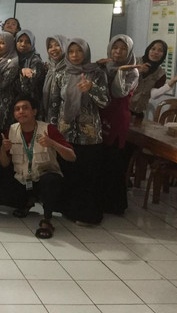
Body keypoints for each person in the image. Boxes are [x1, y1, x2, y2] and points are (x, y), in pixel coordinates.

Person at [0, 95, 75, 238]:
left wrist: (53, 143)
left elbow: (72, 156)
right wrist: (3, 149)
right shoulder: (12, 130)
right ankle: (28, 201)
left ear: (34, 111)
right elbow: (4, 163)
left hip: (44, 178)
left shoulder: (48, 129)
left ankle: (46, 220)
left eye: (25, 108)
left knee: (50, 181)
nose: (21, 111)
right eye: (17, 109)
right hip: (23, 179)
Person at [57, 38, 109, 225]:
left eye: (79, 51)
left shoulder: (96, 73)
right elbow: (57, 102)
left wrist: (91, 89)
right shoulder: (62, 73)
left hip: (89, 134)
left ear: (85, 52)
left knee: (88, 174)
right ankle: (68, 210)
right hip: (66, 131)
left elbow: (104, 101)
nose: (75, 55)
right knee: (70, 173)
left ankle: (88, 215)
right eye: (71, 52)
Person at [98, 35, 139, 215]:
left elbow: (119, 91)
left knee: (115, 162)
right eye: (115, 47)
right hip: (101, 115)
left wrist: (121, 71)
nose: (118, 51)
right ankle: (100, 200)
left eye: (123, 48)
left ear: (129, 51)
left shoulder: (132, 71)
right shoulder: (105, 66)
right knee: (101, 160)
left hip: (118, 118)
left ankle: (115, 205)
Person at [129, 40, 177, 117]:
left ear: (163, 55)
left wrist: (171, 83)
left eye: (160, 50)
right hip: (122, 108)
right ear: (148, 50)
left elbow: (153, 95)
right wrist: (137, 71)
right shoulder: (134, 62)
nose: (155, 52)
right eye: (153, 49)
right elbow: (121, 80)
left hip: (138, 112)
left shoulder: (161, 74)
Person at [16, 30, 47, 118]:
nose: (23, 44)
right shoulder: (14, 58)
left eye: (27, 42)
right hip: (16, 105)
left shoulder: (36, 61)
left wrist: (21, 73)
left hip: (30, 105)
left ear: (32, 43)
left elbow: (28, 88)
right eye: (20, 41)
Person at [42, 34, 68, 126]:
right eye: (50, 46)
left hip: (64, 121)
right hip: (48, 117)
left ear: (65, 46)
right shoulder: (49, 67)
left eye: (57, 45)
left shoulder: (71, 69)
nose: (53, 49)